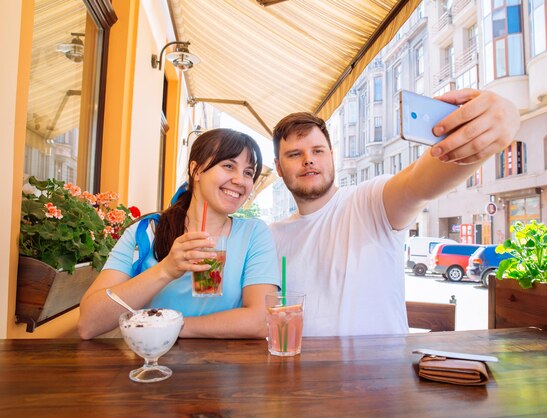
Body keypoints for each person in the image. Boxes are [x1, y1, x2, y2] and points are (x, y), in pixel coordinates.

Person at [270, 89, 520, 337]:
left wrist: (491, 127)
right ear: (279, 168)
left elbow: (419, 182)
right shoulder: (270, 238)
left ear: (332, 156)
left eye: (318, 151)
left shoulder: (369, 201)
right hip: (301, 374)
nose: (308, 160)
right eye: (295, 154)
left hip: (383, 374)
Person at [78, 129, 280, 339]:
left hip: (227, 367)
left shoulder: (254, 233)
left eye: (248, 172)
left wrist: (172, 326)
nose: (240, 180)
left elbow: (261, 320)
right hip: (155, 363)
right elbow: (88, 324)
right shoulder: (148, 231)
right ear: (196, 170)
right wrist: (166, 270)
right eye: (229, 166)